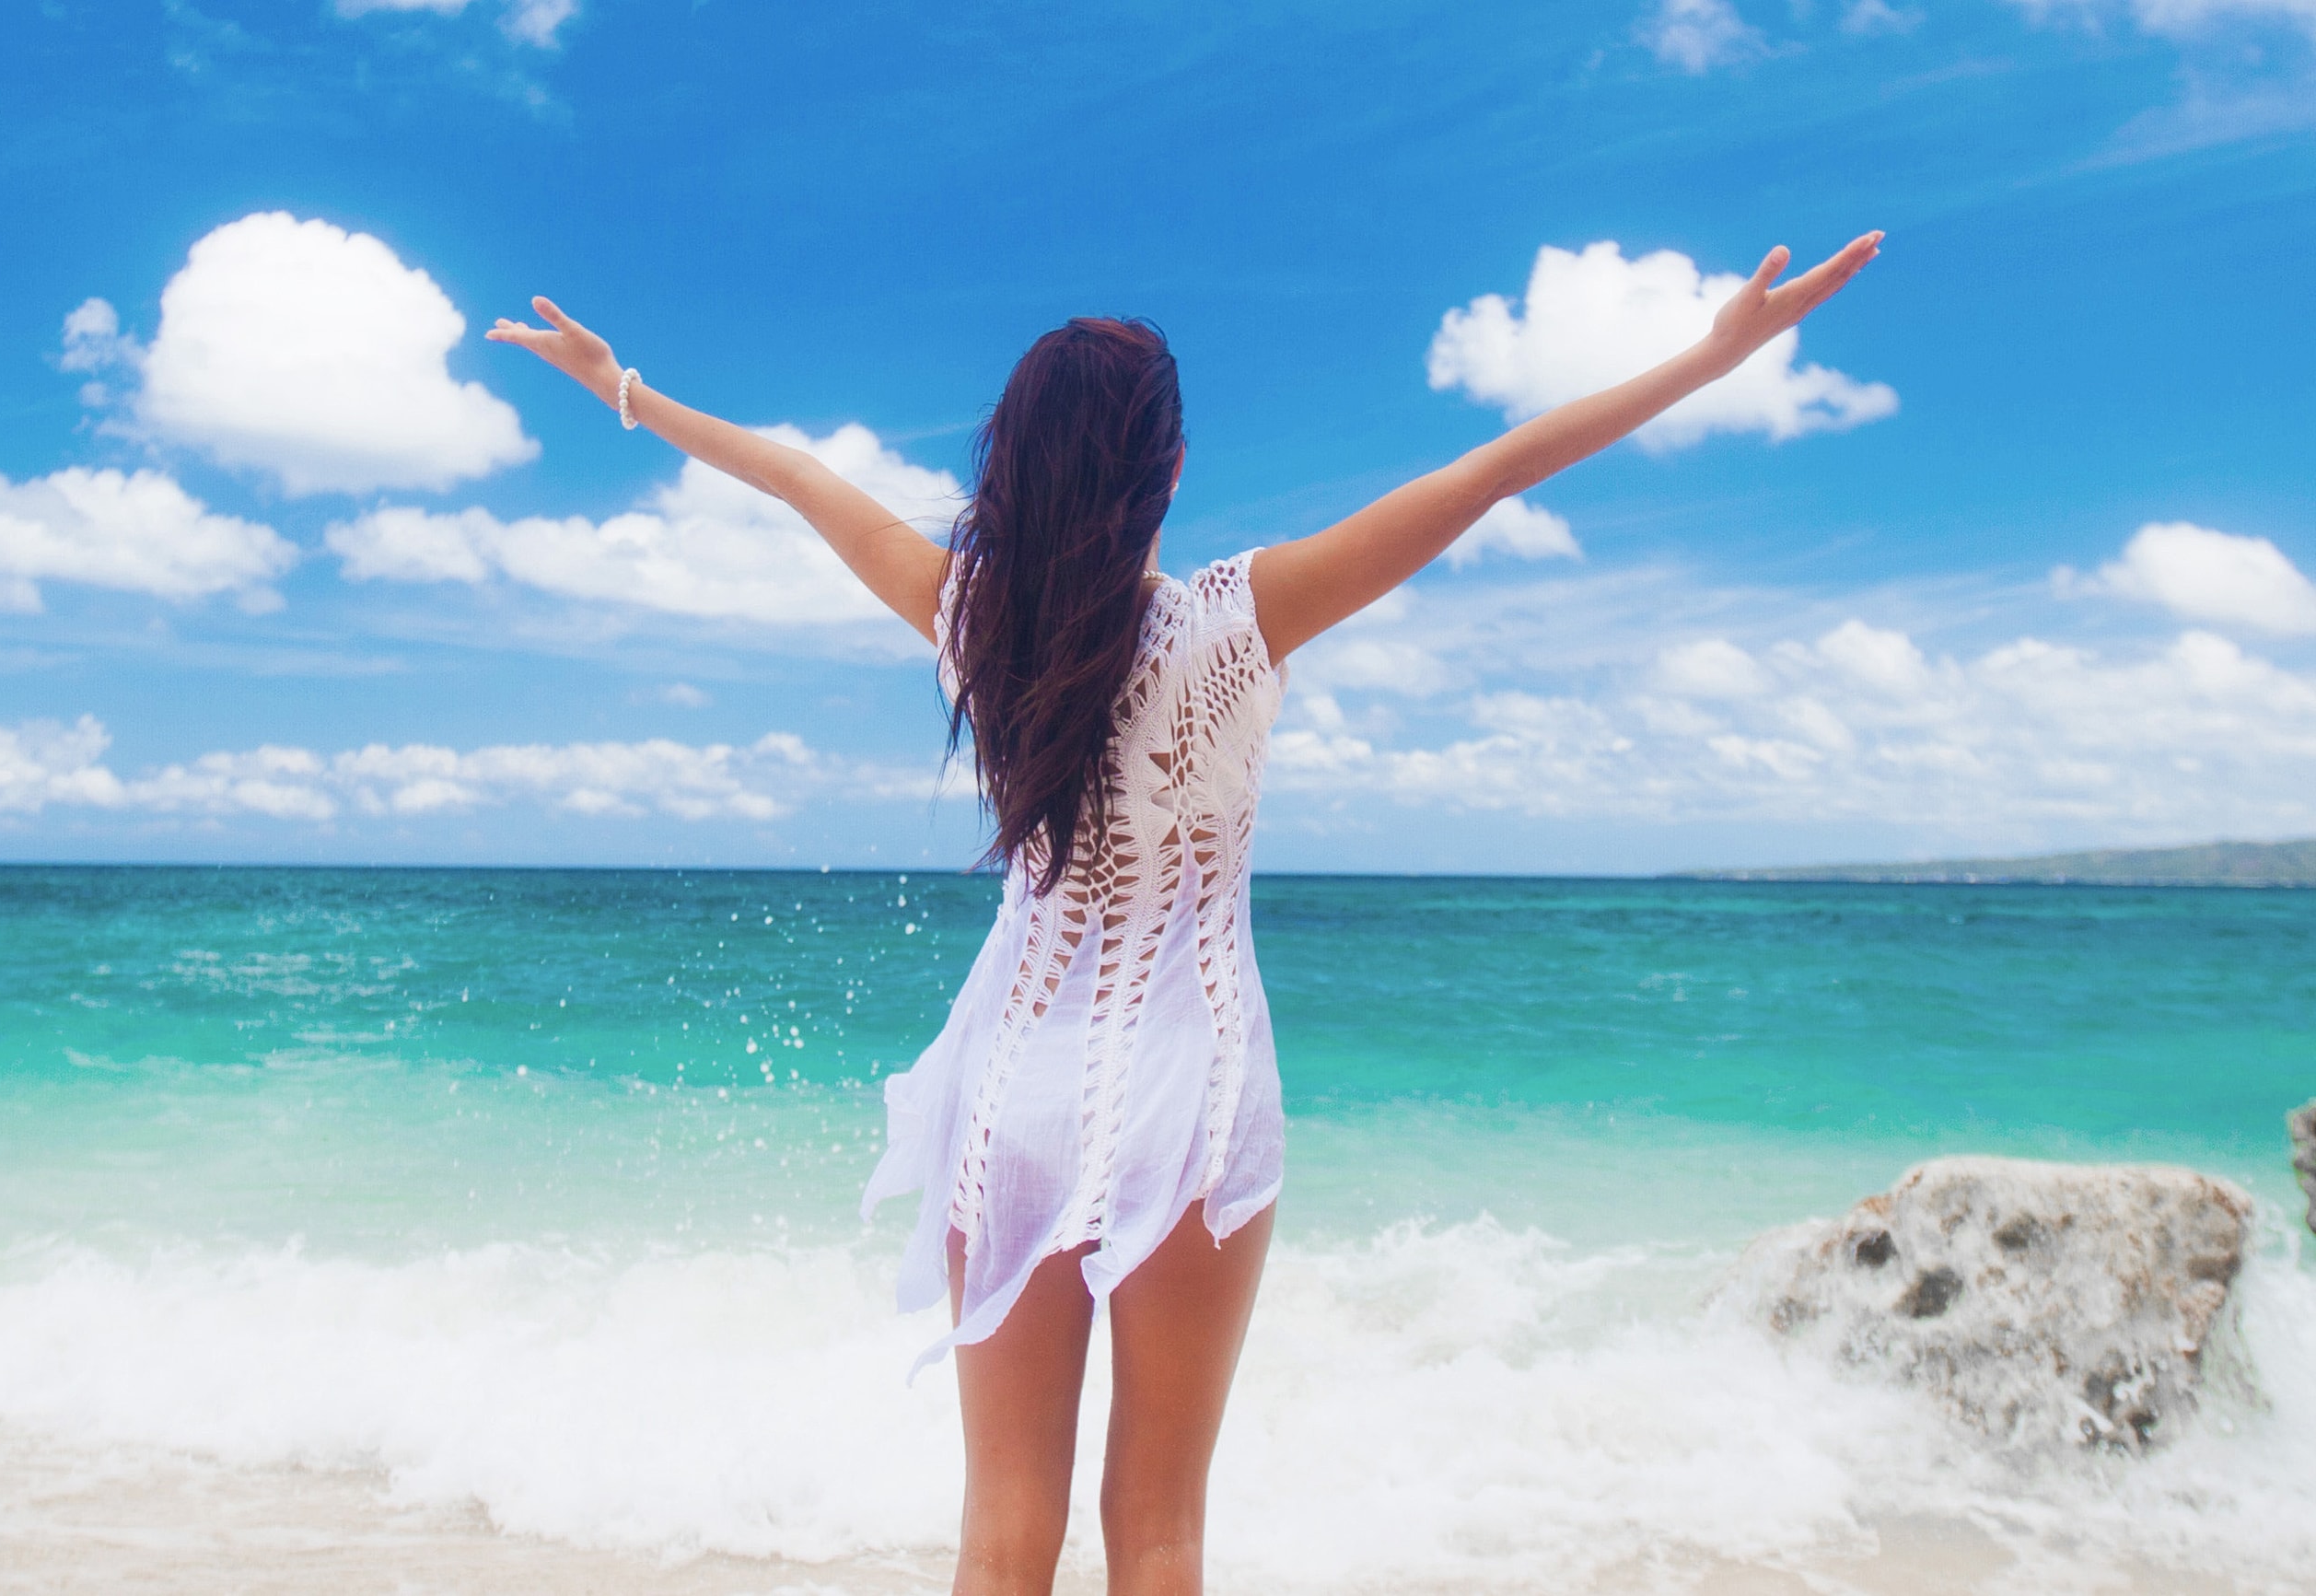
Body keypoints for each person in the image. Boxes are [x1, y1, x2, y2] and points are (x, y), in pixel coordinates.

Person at [487, 227, 1881, 1596]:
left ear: (1011, 469)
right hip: (1196, 1099)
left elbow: (796, 478)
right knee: (1156, 1530)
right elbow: (1494, 471)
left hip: (1013, 1093)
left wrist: (625, 389)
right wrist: (1710, 358)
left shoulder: (973, 615)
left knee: (1000, 1531)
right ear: (1166, 470)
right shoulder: (1239, 620)